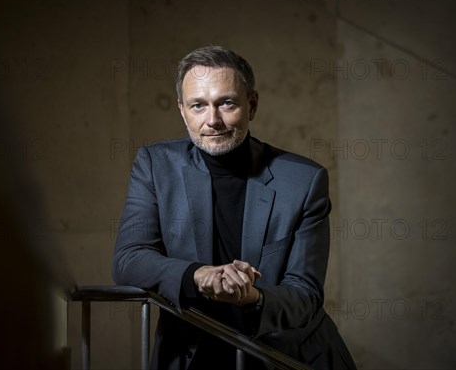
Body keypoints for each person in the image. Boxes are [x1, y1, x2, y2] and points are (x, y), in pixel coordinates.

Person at [112, 46, 356, 370]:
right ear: (182, 110)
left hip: (285, 358)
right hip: (193, 356)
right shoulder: (155, 165)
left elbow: (305, 295)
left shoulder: (304, 180)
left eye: (226, 103)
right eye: (198, 105)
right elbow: (129, 260)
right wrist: (201, 275)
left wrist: (251, 297)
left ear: (251, 105)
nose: (212, 120)